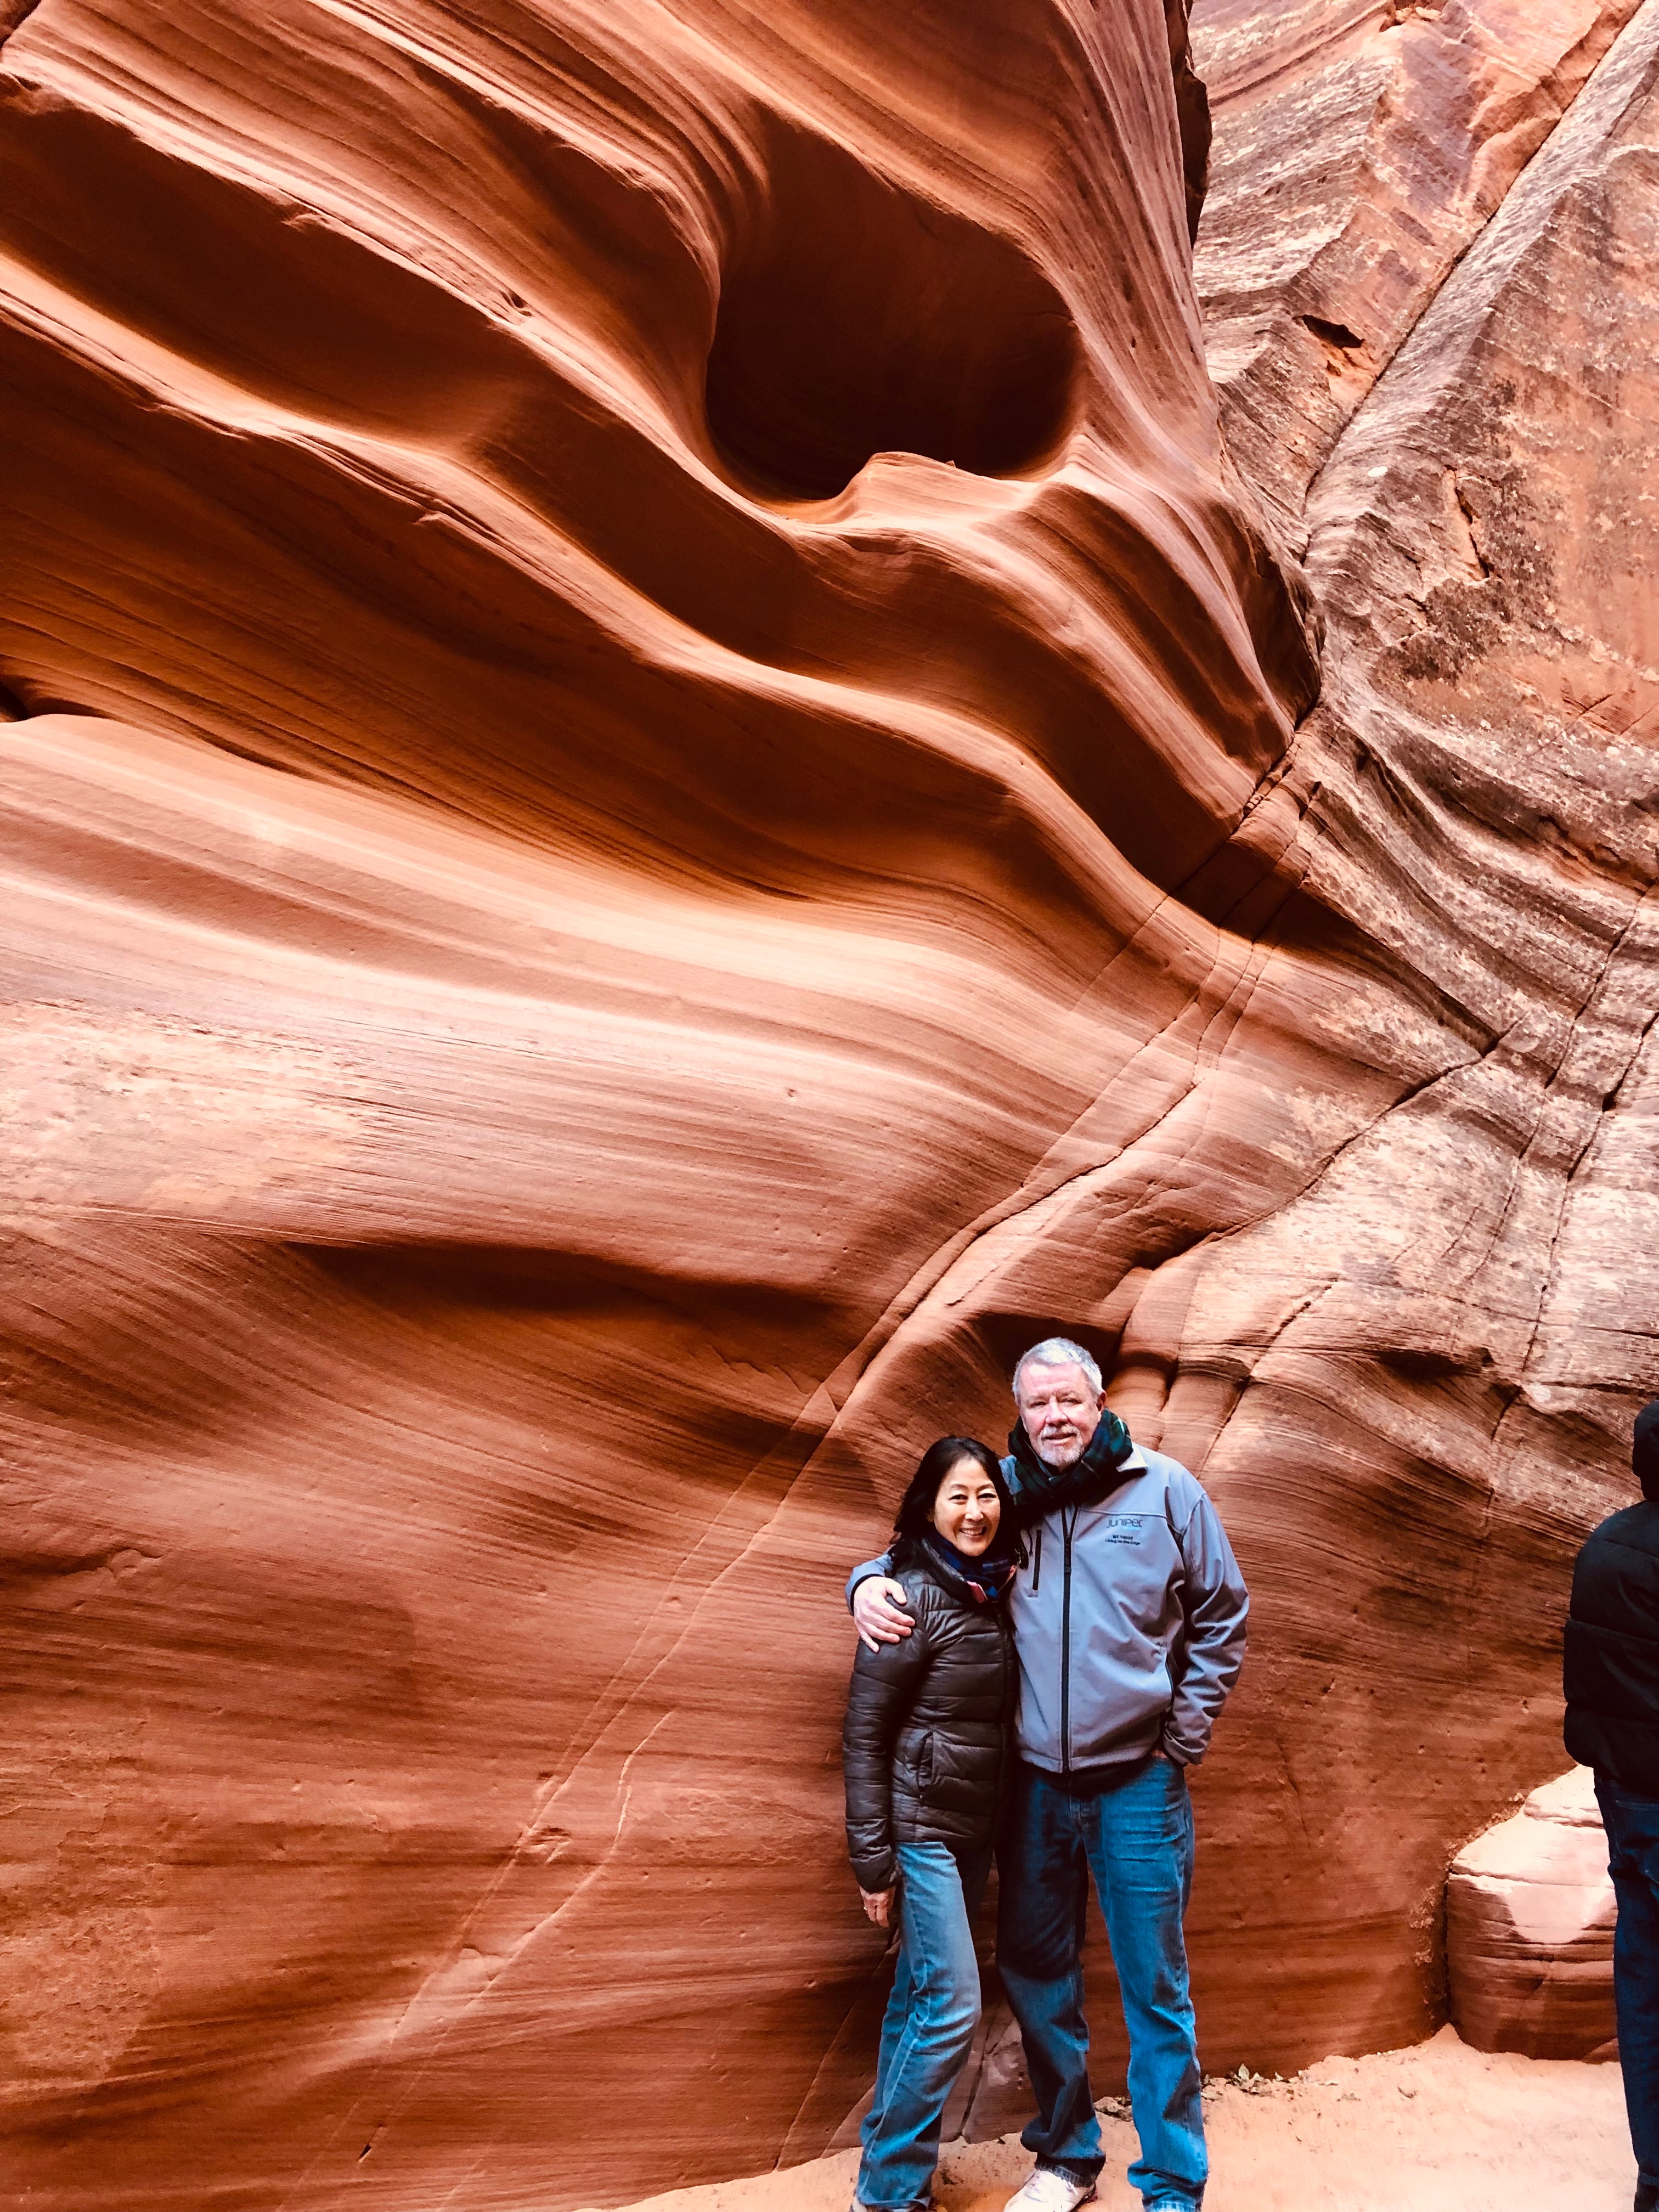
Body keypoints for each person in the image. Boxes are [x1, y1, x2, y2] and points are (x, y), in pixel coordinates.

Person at [848, 1339, 1248, 2212]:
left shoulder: (1164, 1489)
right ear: (1021, 1412)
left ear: (1099, 1401)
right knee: (1037, 1979)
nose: (1055, 1419)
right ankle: (1067, 2158)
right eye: (1039, 1406)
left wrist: (1181, 1733)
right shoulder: (1005, 1490)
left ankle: (1174, 2182)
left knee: (1156, 1985)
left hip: (1139, 1782)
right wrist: (865, 1582)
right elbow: (926, 1535)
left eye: (1069, 1401)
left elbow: (1224, 1613)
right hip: (1032, 1785)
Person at [842, 1436, 1020, 2212]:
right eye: (958, 1496)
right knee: (951, 2007)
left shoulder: (995, 1589)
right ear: (928, 1506)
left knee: (918, 1996)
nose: (975, 1511)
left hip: (971, 1828)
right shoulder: (905, 1600)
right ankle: (885, 2196)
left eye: (987, 1494)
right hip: (920, 1832)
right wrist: (873, 1862)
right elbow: (864, 1736)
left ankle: (887, 2167)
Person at [1564, 1398, 1659, 2212]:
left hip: (1629, 1801)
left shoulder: (1603, 1549)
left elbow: (1587, 1693)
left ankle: (1655, 2178)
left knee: (1646, 1985)